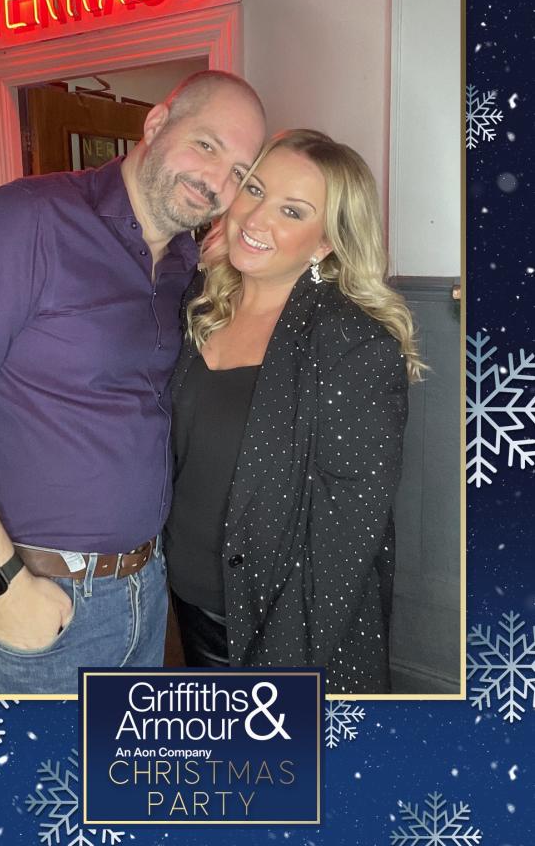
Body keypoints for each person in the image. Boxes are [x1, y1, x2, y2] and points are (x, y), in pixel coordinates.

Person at [0, 70, 266, 695]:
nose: (216, 181)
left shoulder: (186, 267)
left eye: (239, 173)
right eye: (206, 145)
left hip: (144, 595)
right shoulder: (28, 220)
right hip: (34, 598)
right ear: (156, 123)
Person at [164, 128, 424, 692]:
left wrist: (281, 672)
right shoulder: (202, 303)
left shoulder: (353, 344)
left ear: (325, 242)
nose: (256, 218)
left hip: (281, 625)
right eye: (254, 190)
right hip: (183, 601)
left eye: (292, 210)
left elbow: (345, 542)